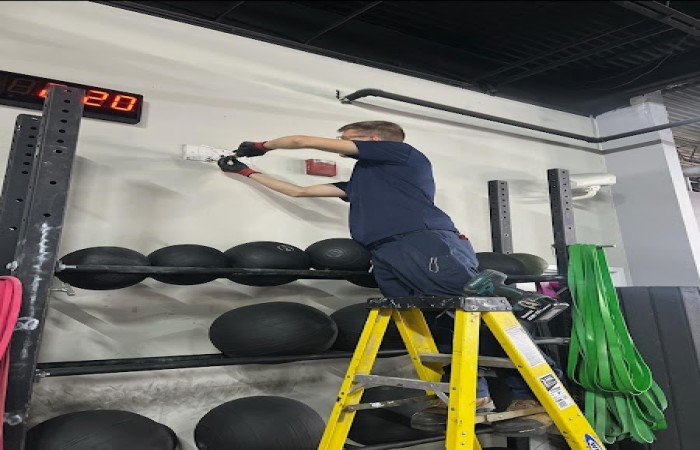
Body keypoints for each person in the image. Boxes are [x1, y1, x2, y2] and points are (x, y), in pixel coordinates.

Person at [217, 120, 553, 435]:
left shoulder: (401, 155)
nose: (340, 146)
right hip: (385, 252)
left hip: (422, 240)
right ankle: (475, 396)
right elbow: (298, 192)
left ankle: (534, 391)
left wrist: (261, 146)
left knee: (480, 315)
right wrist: (246, 171)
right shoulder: (363, 182)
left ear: (373, 139)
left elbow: (300, 140)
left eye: (346, 140)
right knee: (436, 324)